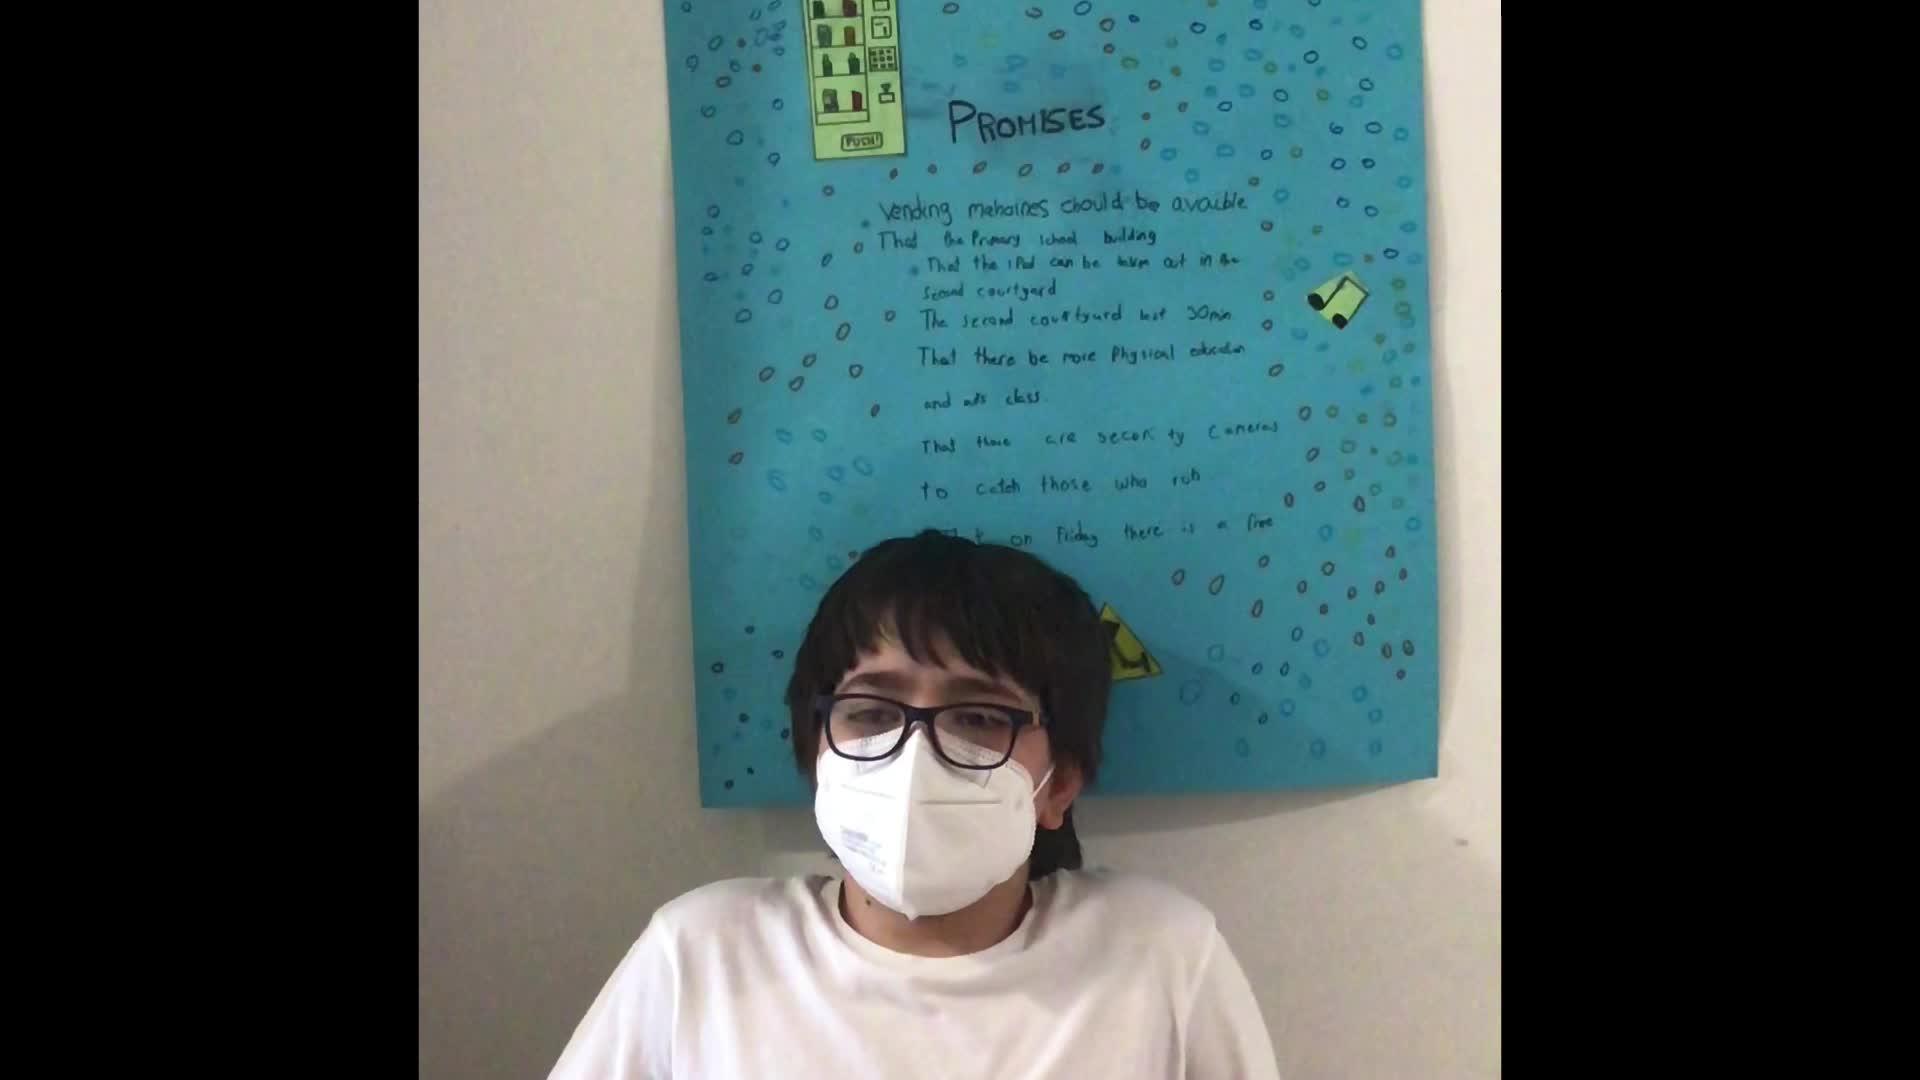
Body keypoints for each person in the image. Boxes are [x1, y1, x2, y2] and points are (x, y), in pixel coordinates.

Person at [548, 530, 1281, 1078]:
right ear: (816, 751)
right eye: (871, 712)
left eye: (979, 718)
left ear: (1059, 783)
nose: (915, 756)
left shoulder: (1159, 954)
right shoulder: (702, 952)